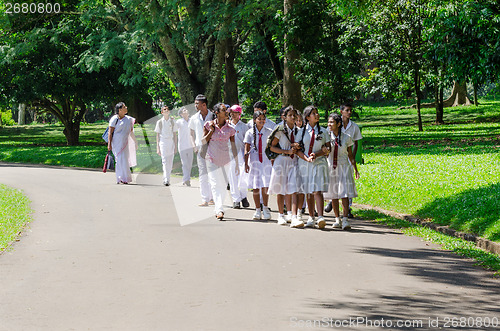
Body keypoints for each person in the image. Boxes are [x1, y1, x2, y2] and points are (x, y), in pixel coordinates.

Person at [295, 106, 331, 229]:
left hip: (319, 162)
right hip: (305, 164)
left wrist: (318, 154)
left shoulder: (323, 131)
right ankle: (311, 217)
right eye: (313, 113)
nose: (316, 115)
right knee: (308, 191)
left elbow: (328, 148)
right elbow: (297, 150)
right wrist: (306, 158)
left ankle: (320, 216)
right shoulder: (301, 132)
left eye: (317, 113)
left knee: (317, 189)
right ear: (307, 117)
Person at [268, 106, 303, 228]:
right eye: (290, 115)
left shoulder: (299, 131)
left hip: (293, 162)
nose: (292, 117)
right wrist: (285, 151)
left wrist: (297, 147)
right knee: (280, 189)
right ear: (284, 117)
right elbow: (272, 147)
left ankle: (293, 216)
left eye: (294, 115)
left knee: (293, 188)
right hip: (282, 161)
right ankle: (281, 215)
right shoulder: (280, 130)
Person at [203, 103, 239, 220]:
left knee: (223, 185)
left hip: (225, 160)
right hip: (211, 159)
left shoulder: (230, 129)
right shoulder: (208, 125)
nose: (227, 111)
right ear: (217, 112)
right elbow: (203, 141)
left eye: (226, 109)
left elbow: (233, 146)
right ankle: (219, 209)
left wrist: (237, 163)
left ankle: (219, 207)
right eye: (224, 110)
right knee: (214, 184)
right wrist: (211, 131)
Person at [325, 103, 362, 217]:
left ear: (338, 124)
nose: (329, 124)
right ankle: (337, 218)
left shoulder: (347, 136)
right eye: (329, 122)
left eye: (332, 122)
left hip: (344, 165)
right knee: (334, 194)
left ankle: (346, 216)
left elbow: (351, 153)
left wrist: (355, 168)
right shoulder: (326, 135)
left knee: (345, 193)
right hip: (331, 166)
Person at [243, 110, 273, 220]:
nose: (262, 121)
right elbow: (246, 149)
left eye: (263, 118)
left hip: (266, 162)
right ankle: (257, 210)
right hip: (254, 163)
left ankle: (265, 208)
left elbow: (272, 147)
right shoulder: (249, 133)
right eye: (259, 118)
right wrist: (246, 164)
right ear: (254, 120)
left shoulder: (269, 131)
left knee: (265, 186)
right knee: (255, 187)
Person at [189, 94, 214, 206]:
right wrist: (194, 146)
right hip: (200, 148)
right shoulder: (194, 118)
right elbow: (191, 133)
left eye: (197, 103)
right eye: (195, 103)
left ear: (204, 105)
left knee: (213, 173)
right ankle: (205, 198)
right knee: (203, 173)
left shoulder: (213, 116)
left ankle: (212, 198)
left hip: (213, 148)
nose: (195, 105)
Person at [107, 102, 137, 184]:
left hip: (125, 143)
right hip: (116, 143)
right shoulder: (114, 119)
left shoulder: (129, 119)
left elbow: (131, 132)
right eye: (124, 107)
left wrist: (135, 142)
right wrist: (109, 144)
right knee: (119, 160)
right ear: (120, 110)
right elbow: (110, 132)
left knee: (125, 160)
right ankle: (119, 177)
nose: (126, 107)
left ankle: (126, 178)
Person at [228, 105, 250, 209]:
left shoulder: (244, 127)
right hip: (230, 155)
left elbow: (247, 142)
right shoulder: (227, 125)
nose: (232, 114)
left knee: (243, 177)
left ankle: (243, 196)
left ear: (239, 114)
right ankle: (236, 200)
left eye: (235, 112)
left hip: (241, 155)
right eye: (231, 112)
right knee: (233, 178)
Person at [155, 106, 178, 186]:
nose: (166, 111)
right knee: (164, 161)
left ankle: (167, 177)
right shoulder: (159, 122)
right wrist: (158, 147)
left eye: (167, 109)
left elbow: (175, 135)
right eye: (164, 110)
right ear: (162, 112)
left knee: (170, 161)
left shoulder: (172, 121)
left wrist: (175, 146)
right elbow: (157, 135)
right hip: (163, 142)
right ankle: (166, 179)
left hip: (170, 142)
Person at [176, 107, 194, 186]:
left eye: (186, 110)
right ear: (181, 114)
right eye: (184, 111)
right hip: (182, 146)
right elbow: (173, 128)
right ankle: (187, 179)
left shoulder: (191, 121)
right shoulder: (179, 122)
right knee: (184, 163)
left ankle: (186, 178)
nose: (186, 111)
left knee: (189, 163)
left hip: (190, 145)